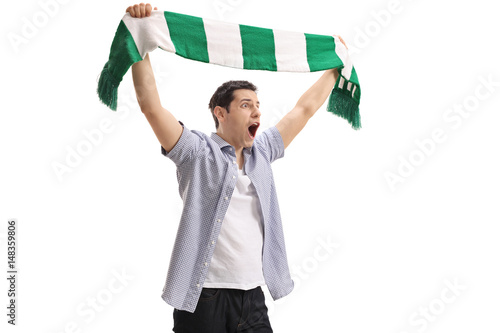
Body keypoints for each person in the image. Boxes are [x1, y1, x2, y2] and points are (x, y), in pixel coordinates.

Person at [126, 3, 347, 332]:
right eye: (246, 106)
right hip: (204, 300)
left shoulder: (263, 150)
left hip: (253, 297)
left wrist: (337, 66)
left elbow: (304, 109)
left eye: (258, 106)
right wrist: (140, 38)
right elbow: (151, 106)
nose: (257, 113)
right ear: (220, 113)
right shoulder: (196, 152)